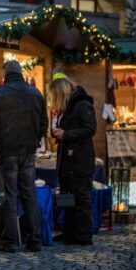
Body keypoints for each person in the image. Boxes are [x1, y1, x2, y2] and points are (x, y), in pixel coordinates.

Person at [0, 60, 48, 253]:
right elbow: (43, 123)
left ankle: (11, 240)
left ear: (5, 74)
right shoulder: (35, 93)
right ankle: (35, 239)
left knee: (10, 196)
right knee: (29, 195)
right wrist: (36, 140)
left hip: (7, 151)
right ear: (20, 73)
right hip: (28, 151)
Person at [49, 73, 96, 245]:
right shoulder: (69, 107)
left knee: (81, 198)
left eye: (55, 95)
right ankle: (69, 232)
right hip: (68, 161)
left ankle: (83, 235)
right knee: (68, 197)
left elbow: (90, 129)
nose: (53, 99)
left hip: (80, 161)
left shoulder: (82, 105)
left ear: (62, 93)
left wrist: (66, 134)